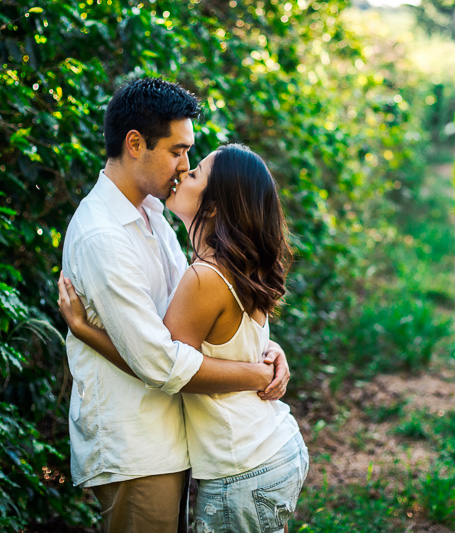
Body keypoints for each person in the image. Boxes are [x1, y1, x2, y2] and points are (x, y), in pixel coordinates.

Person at [58, 78, 290, 533]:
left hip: (181, 439)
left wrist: (265, 350)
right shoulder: (104, 236)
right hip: (138, 445)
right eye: (177, 151)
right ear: (135, 144)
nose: (184, 168)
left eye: (190, 155)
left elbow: (202, 318)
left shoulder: (153, 214)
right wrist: (255, 375)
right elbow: (159, 361)